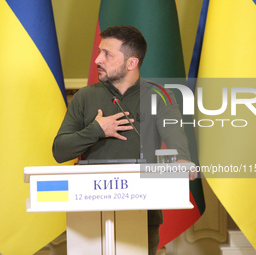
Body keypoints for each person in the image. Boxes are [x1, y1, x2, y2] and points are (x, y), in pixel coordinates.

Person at [52, 25, 195, 255]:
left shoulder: (160, 96)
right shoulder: (84, 97)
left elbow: (178, 145)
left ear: (131, 63)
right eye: (99, 52)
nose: (97, 59)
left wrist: (183, 160)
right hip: (88, 213)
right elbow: (59, 151)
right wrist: (97, 129)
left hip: (143, 212)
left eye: (107, 54)